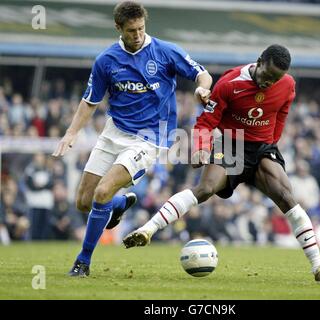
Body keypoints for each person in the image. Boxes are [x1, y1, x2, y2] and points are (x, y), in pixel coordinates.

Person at [123, 44, 320, 283]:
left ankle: (319, 269)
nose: (269, 83)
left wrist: (271, 143)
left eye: (276, 79)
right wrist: (202, 149)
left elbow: (282, 112)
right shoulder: (230, 83)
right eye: (267, 75)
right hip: (230, 146)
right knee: (204, 190)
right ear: (259, 62)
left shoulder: (287, 85)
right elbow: (205, 122)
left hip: (262, 149)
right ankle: (147, 230)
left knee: (287, 198)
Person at [52, 1, 212, 277]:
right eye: (131, 30)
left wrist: (202, 89)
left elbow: (202, 74)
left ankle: (83, 261)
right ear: (118, 28)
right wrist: (71, 132)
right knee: (83, 201)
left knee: (102, 192)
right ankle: (119, 204)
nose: (137, 35)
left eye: (141, 29)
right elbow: (90, 101)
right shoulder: (106, 60)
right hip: (114, 132)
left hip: (151, 137)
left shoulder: (165, 51)